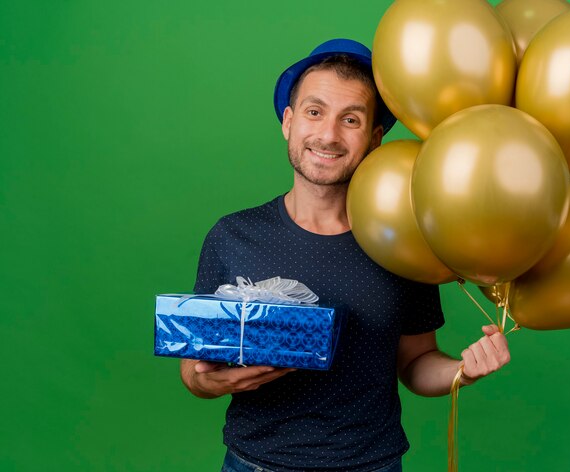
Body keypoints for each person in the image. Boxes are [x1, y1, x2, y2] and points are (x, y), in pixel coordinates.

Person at [180, 38, 510, 472]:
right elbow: (193, 370)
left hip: (371, 464)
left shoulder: (403, 243)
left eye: (350, 119)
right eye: (315, 112)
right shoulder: (233, 235)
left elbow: (415, 363)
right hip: (253, 463)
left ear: (374, 138)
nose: (328, 135)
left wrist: (462, 371)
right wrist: (213, 382)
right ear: (288, 121)